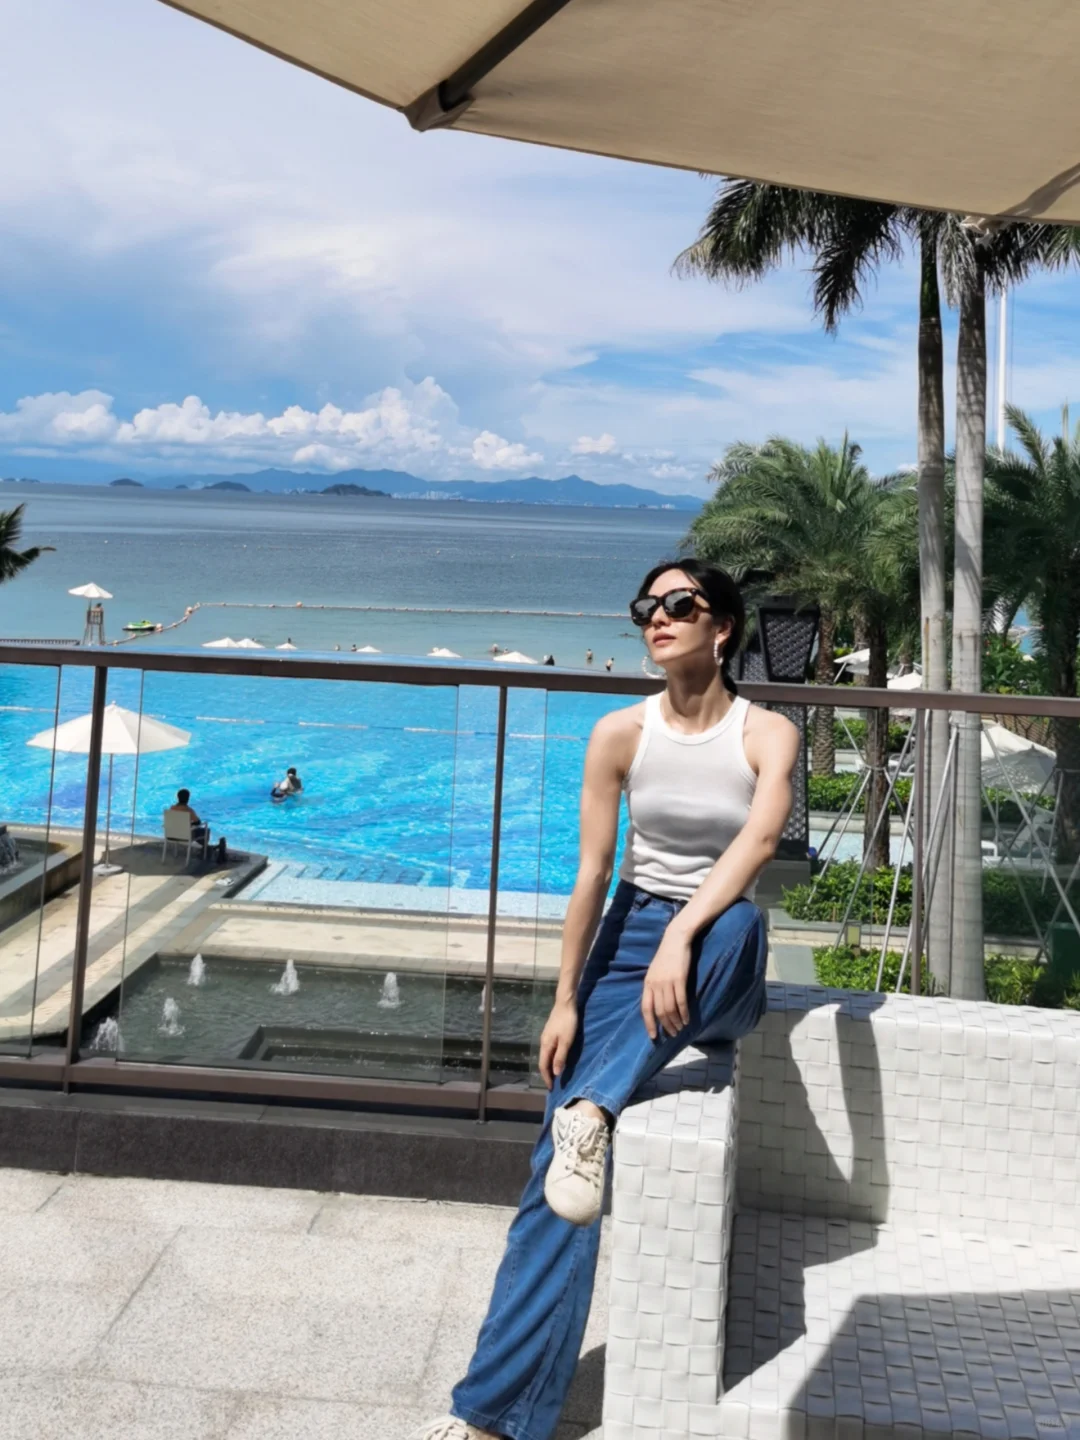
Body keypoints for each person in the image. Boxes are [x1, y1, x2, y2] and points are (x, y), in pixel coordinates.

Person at [417, 559, 800, 1440]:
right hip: (629, 938)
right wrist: (565, 999)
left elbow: (761, 840)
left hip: (719, 954)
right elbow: (592, 875)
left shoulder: (766, 732)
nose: (657, 618)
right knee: (555, 1182)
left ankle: (594, 1103)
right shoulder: (619, 733)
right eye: (646, 608)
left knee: (736, 924)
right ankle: (492, 1417)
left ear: (722, 627)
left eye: (679, 604)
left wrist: (682, 933)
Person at [169, 789, 209, 853]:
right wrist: (191, 824)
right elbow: (198, 822)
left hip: (171, 835)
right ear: (188, 799)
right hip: (185, 836)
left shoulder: (172, 808)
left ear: (178, 797)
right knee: (206, 830)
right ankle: (205, 849)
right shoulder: (189, 810)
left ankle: (206, 848)